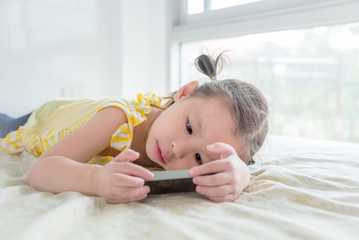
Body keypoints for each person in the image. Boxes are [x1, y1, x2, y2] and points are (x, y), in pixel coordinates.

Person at [0, 52, 268, 204]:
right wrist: (97, 179)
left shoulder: (172, 148)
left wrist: (241, 175)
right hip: (40, 121)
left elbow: (230, 168)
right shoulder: (118, 118)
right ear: (184, 93)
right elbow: (41, 171)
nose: (178, 150)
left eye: (198, 158)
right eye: (188, 127)